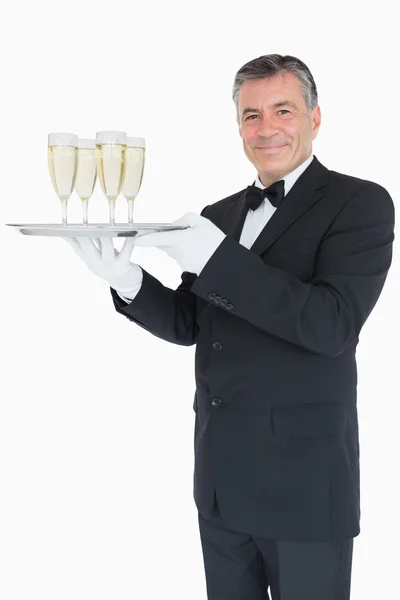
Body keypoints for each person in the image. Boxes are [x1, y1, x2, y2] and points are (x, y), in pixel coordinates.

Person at [65, 54, 395, 599]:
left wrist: (216, 260)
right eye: (250, 115)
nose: (266, 128)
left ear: (314, 119)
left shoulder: (360, 203)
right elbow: (192, 323)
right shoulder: (218, 215)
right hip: (220, 485)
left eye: (282, 110)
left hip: (305, 490)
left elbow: (330, 324)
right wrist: (127, 280)